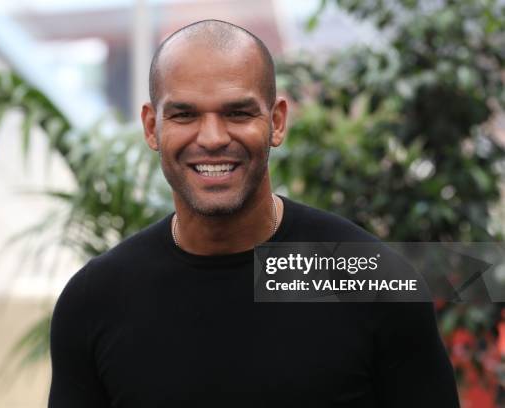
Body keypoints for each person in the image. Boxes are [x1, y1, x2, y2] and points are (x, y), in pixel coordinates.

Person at [48, 19, 459, 407]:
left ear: (277, 122)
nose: (211, 138)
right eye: (184, 114)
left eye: (238, 113)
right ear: (152, 127)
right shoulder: (94, 302)